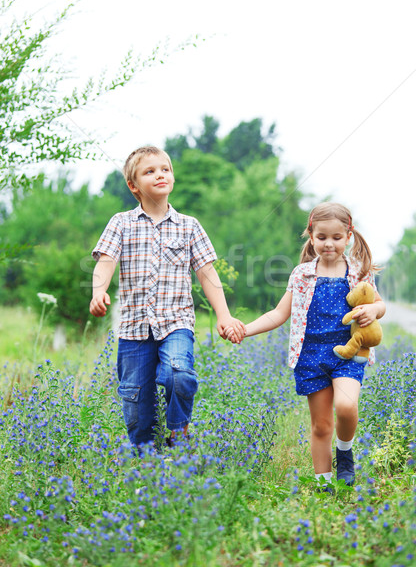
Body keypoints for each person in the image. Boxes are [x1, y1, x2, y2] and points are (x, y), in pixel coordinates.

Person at [90, 145, 245, 451]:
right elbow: (105, 261)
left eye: (165, 169)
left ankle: (178, 432)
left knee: (179, 374)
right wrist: (99, 291)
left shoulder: (190, 226)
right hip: (133, 329)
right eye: (150, 171)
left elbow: (207, 274)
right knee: (136, 402)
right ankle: (146, 462)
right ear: (134, 185)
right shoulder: (121, 223)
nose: (160, 174)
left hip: (177, 322)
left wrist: (224, 316)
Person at [224, 202, 385, 489]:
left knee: (347, 407)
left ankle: (345, 451)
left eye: (337, 238)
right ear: (311, 236)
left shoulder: (358, 272)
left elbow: (378, 304)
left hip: (348, 352)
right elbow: (278, 314)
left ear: (348, 236)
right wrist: (245, 330)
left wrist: (374, 311)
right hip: (310, 355)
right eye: (322, 237)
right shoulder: (301, 274)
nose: (329, 244)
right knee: (321, 425)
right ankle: (323, 484)